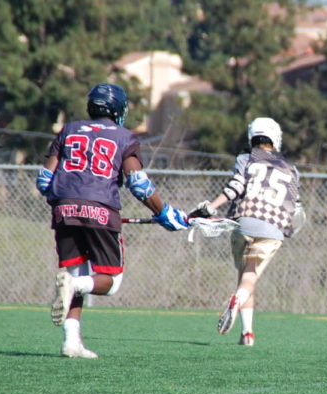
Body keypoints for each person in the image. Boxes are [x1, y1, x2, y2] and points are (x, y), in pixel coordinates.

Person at [37, 83, 188, 358]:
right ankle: (75, 289)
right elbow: (138, 184)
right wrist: (163, 212)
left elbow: (44, 179)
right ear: (119, 109)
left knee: (75, 273)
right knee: (109, 281)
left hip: (63, 210)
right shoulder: (124, 136)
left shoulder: (69, 130)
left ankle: (71, 342)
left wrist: (66, 202)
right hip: (101, 210)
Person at [190, 117, 304, 347]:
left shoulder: (246, 158)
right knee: (249, 278)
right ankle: (239, 303)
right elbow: (297, 209)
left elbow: (236, 187)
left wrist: (212, 207)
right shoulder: (291, 169)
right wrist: (289, 230)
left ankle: (247, 333)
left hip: (244, 222)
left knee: (245, 276)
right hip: (273, 229)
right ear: (276, 138)